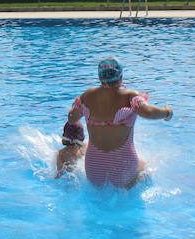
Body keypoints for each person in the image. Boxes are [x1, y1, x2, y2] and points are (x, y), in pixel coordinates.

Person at [68, 58, 173, 189]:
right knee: (145, 169)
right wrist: (167, 112)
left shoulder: (88, 95)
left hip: (94, 168)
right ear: (121, 77)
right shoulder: (129, 96)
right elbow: (148, 113)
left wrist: (75, 105)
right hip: (123, 166)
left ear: (100, 78)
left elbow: (72, 118)